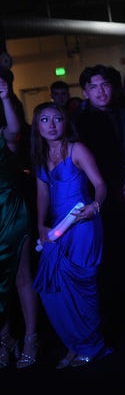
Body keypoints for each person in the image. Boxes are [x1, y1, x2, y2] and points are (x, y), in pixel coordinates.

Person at [30, 102, 111, 368]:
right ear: (37, 126)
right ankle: (74, 345)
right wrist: (40, 224)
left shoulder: (78, 149)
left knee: (82, 288)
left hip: (83, 224)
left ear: (66, 122)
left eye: (57, 119)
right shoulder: (41, 155)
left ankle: (91, 346)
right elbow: (42, 193)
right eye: (44, 120)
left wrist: (95, 206)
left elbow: (99, 184)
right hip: (57, 227)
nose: (51, 125)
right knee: (52, 288)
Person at [74, 64, 125, 345]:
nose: (101, 91)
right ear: (85, 92)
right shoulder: (79, 123)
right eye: (94, 87)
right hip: (99, 196)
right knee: (107, 254)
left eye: (105, 85)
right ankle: (116, 313)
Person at [0, 73, 38, 370]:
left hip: (10, 211)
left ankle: (30, 337)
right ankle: (5, 339)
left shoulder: (4, 133)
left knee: (22, 278)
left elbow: (14, 133)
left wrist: (3, 97)